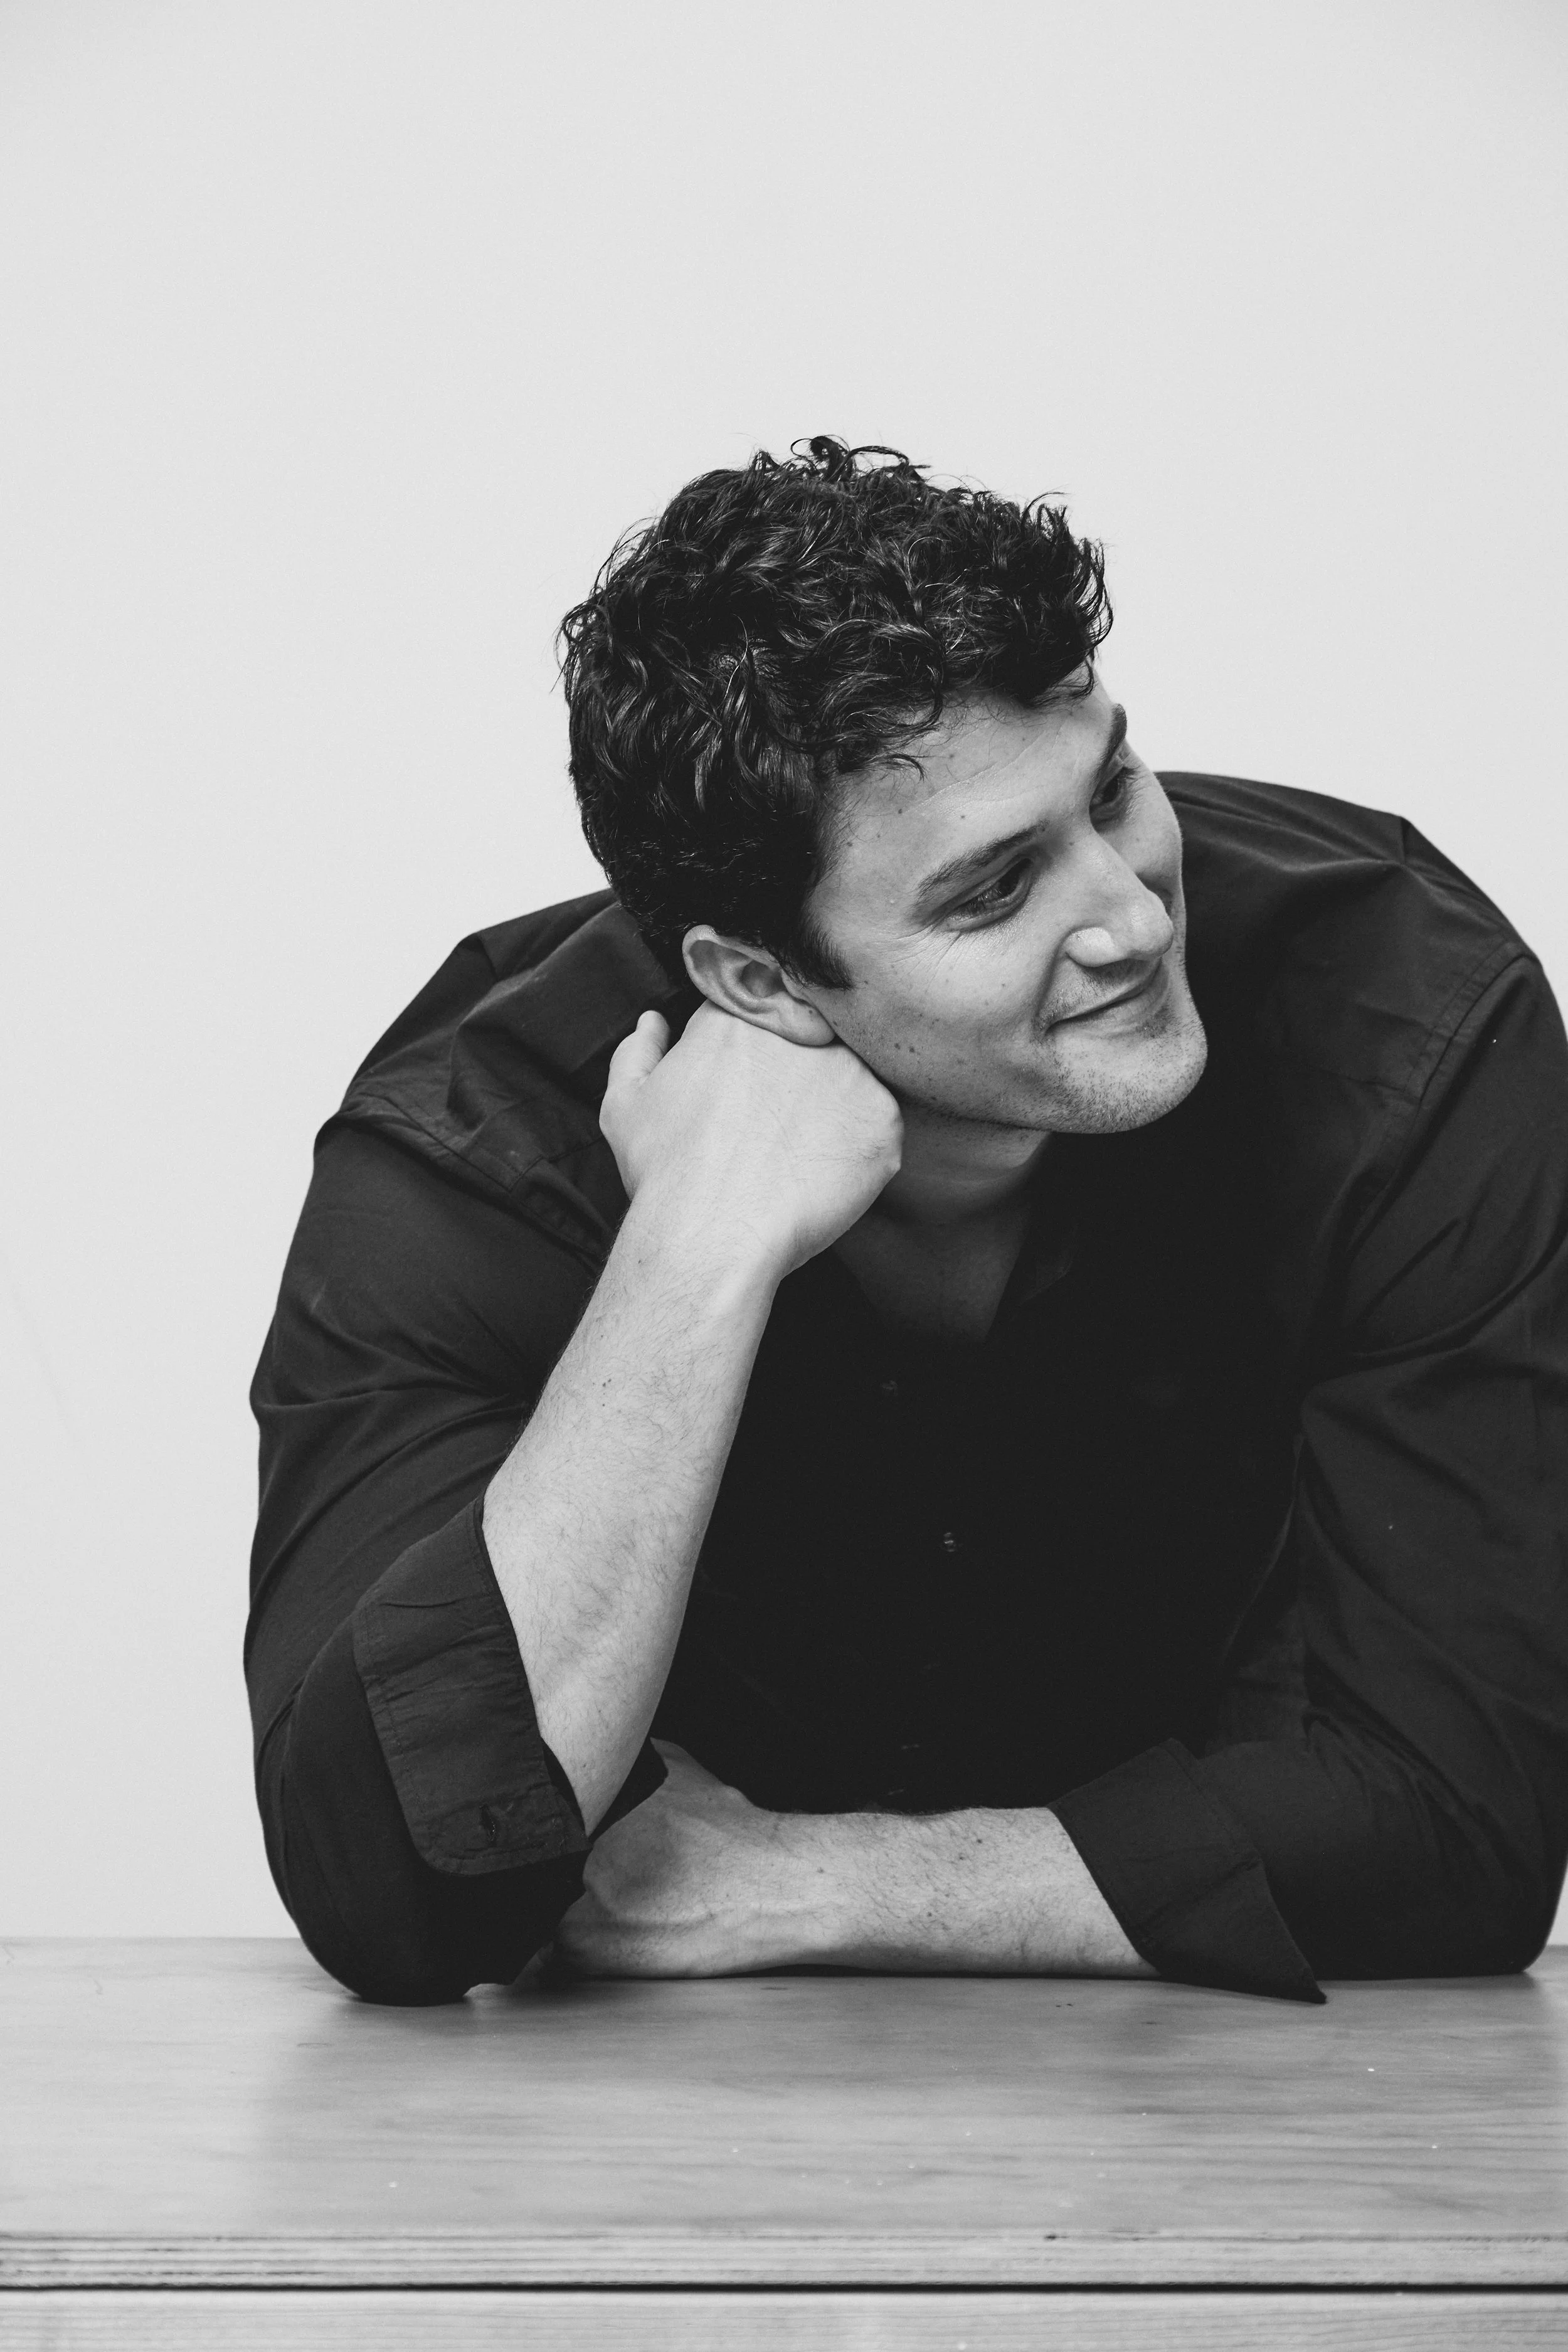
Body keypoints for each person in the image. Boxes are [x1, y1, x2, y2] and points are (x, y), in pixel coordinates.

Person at [246, 438, 1568, 2006]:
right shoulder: (480, 1149)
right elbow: (399, 1896)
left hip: (1227, 2083)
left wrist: (806, 1884)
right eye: (993, 891)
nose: (1133, 915)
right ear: (756, 979)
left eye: (1111, 788)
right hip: (668, 2103)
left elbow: (1457, 1823)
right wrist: (694, 1254)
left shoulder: (1399, 1018)